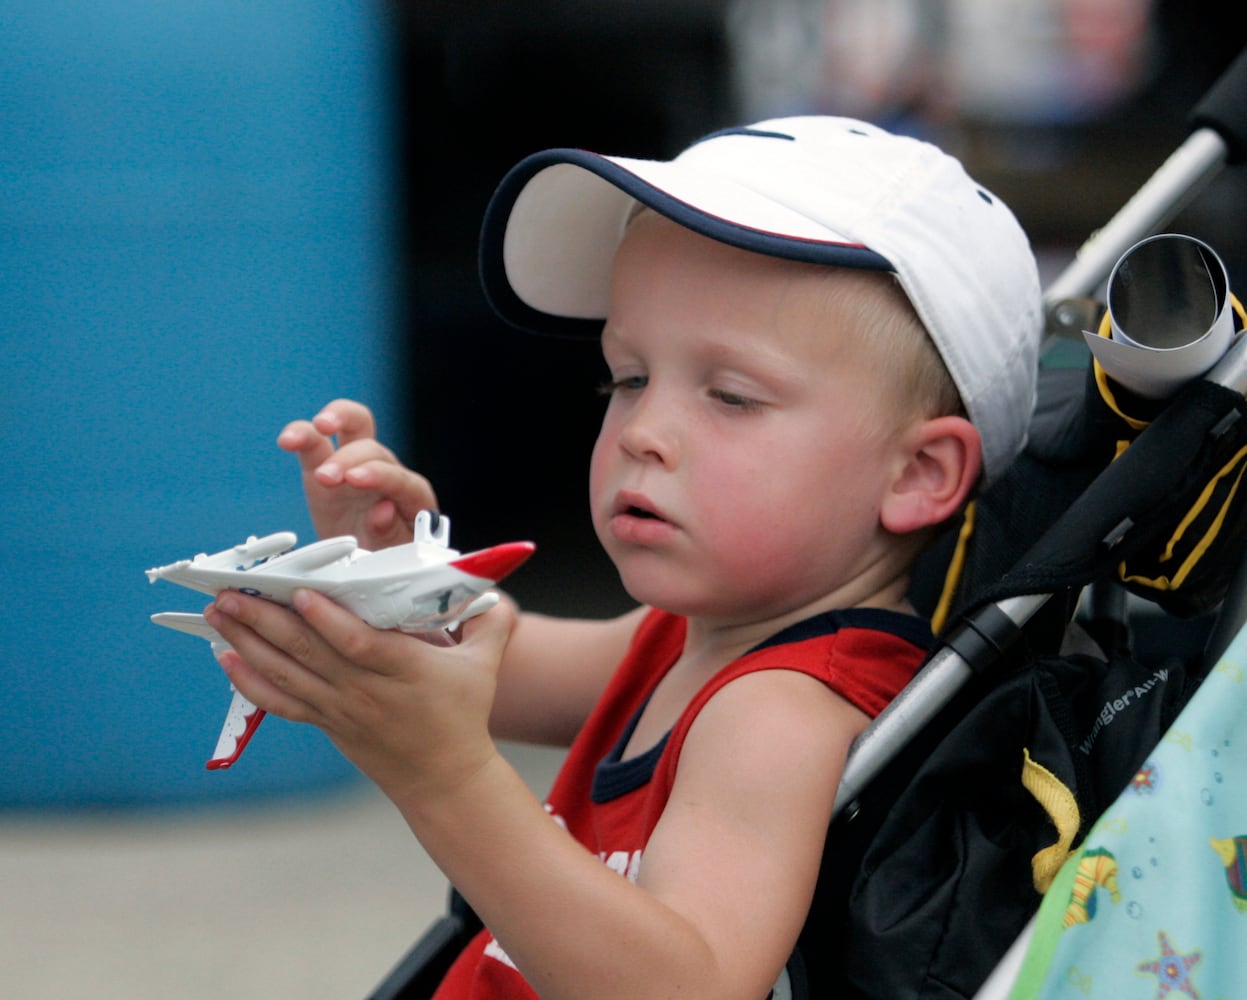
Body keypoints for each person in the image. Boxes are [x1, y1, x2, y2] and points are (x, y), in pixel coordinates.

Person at [203, 117, 1042, 999]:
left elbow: (691, 985)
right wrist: (395, 577)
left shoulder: (783, 710)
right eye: (628, 378)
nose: (642, 431)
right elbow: (501, 662)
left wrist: (444, 778)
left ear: (916, 473)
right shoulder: (683, 641)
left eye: (729, 395)